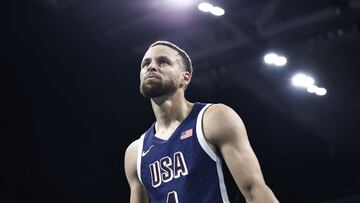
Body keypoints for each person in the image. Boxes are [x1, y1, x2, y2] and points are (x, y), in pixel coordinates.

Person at [124, 41, 279, 203]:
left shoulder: (214, 118)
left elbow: (254, 190)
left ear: (185, 78)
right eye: (145, 64)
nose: (152, 67)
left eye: (163, 62)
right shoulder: (135, 153)